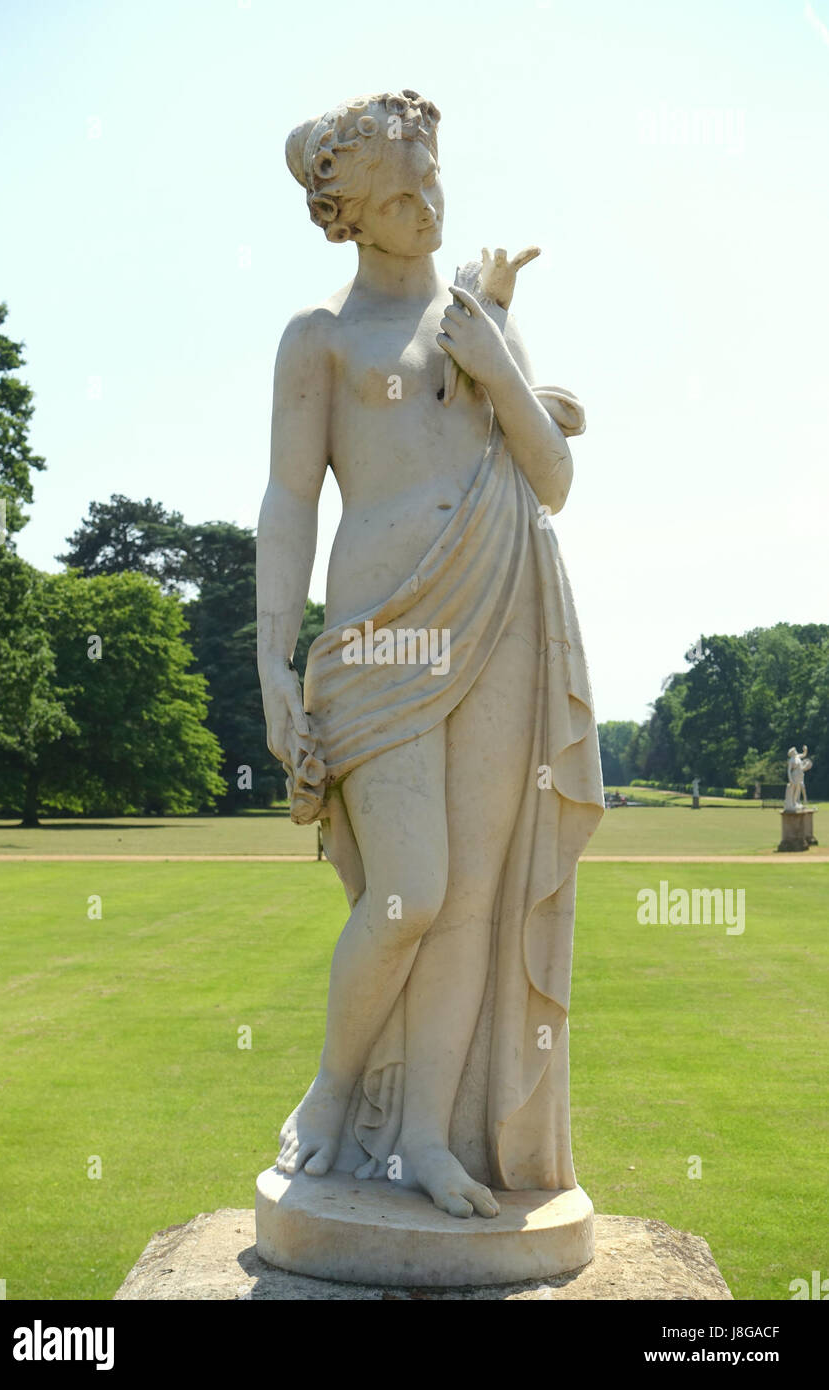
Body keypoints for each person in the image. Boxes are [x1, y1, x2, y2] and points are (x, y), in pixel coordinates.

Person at [256, 91, 603, 1218]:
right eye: (400, 193)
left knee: (468, 901)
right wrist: (272, 659)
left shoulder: (475, 320)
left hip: (496, 609)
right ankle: (330, 1092)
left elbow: (549, 477)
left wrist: (494, 357)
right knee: (406, 891)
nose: (427, 206)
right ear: (348, 214)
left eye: (432, 181)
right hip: (375, 641)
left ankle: (423, 1142)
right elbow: (288, 500)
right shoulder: (320, 339)